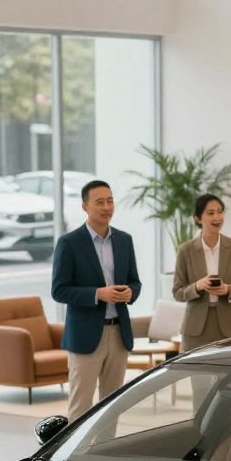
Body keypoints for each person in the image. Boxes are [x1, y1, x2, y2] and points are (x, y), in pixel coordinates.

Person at [52, 179, 141, 418]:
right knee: (81, 407)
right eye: (99, 202)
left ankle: (103, 455)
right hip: (85, 336)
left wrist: (131, 293)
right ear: (85, 206)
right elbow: (59, 290)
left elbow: (135, 281)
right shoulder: (69, 243)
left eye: (110, 201)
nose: (106, 207)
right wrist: (97, 294)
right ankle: (72, 456)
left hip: (118, 333)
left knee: (112, 406)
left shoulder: (124, 240)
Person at [172, 193, 231, 351]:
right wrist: (197, 286)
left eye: (220, 211)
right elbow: (177, 292)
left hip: (229, 328)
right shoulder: (185, 250)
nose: (217, 217)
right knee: (196, 374)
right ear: (197, 218)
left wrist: (228, 289)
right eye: (210, 213)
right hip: (195, 329)